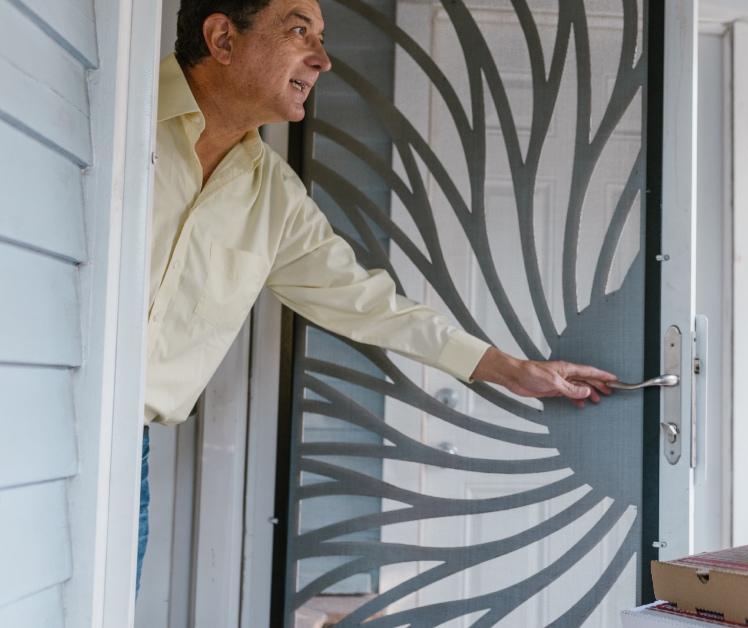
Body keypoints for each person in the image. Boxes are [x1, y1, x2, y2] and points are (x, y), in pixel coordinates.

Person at [139, 0, 616, 589]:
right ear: (222, 38)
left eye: (320, 35)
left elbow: (370, 303)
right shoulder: (116, 112)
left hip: (125, 449)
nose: (322, 58)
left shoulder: (273, 199)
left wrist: (507, 369)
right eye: (298, 31)